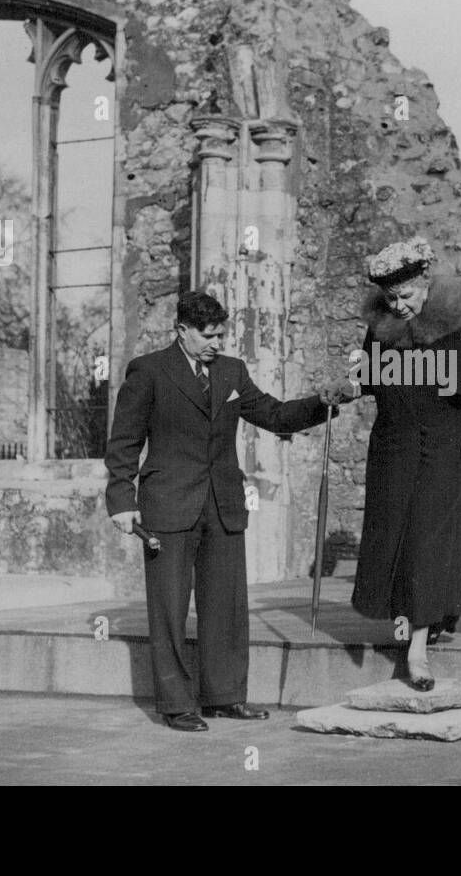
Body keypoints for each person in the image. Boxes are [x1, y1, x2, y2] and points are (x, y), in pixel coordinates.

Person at [105, 291, 352, 732]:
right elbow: (124, 441)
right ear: (182, 330)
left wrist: (323, 400)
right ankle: (177, 704)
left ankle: (224, 697)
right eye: (207, 334)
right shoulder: (149, 371)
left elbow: (276, 416)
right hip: (168, 505)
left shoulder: (233, 371)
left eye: (221, 334)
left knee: (226, 606)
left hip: (222, 505)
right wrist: (122, 501)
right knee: (169, 609)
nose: (216, 342)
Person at [349, 237, 461, 691]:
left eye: (407, 295)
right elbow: (365, 379)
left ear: (425, 284)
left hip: (442, 448)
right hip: (393, 449)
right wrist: (343, 387)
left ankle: (416, 652)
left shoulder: (456, 326)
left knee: (428, 541)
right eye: (391, 298)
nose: (400, 305)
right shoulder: (381, 328)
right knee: (397, 537)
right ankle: (419, 619)